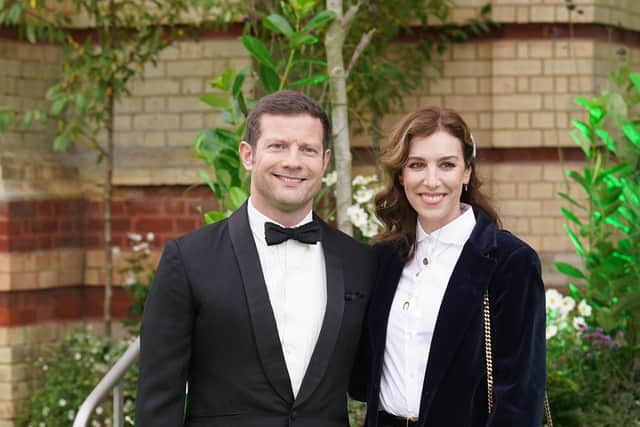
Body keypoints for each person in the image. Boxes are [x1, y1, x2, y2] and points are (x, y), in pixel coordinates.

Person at [135, 90, 376, 427]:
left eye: (307, 149)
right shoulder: (188, 259)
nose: (293, 161)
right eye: (278, 146)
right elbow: (158, 397)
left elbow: (371, 380)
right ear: (248, 156)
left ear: (324, 161)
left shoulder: (359, 261)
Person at [362, 107, 546, 426]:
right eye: (417, 165)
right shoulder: (384, 258)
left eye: (446, 165)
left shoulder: (509, 261)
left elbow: (520, 394)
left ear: (466, 173)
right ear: (401, 175)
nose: (431, 181)